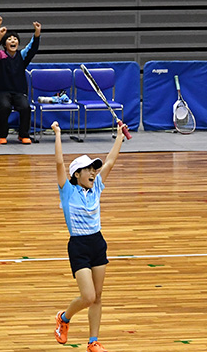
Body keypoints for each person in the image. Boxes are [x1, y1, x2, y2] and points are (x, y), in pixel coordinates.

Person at [52, 118, 128, 352]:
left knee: (98, 296)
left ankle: (93, 341)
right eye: (89, 169)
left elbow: (111, 161)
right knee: (87, 296)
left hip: (97, 242)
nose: (94, 172)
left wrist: (119, 136)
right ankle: (63, 318)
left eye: (95, 169)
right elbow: (58, 163)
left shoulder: (96, 187)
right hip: (78, 245)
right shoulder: (67, 191)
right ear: (77, 174)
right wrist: (57, 133)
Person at [0, 19, 41, 144]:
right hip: (1, 92)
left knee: (25, 107)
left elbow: (32, 49)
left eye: (15, 39)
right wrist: (0, 36)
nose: (13, 41)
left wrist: (37, 33)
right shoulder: (0, 56)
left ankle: (23, 135)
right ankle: (2, 135)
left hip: (18, 92)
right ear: (5, 44)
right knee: (5, 107)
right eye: (9, 39)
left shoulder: (21, 56)